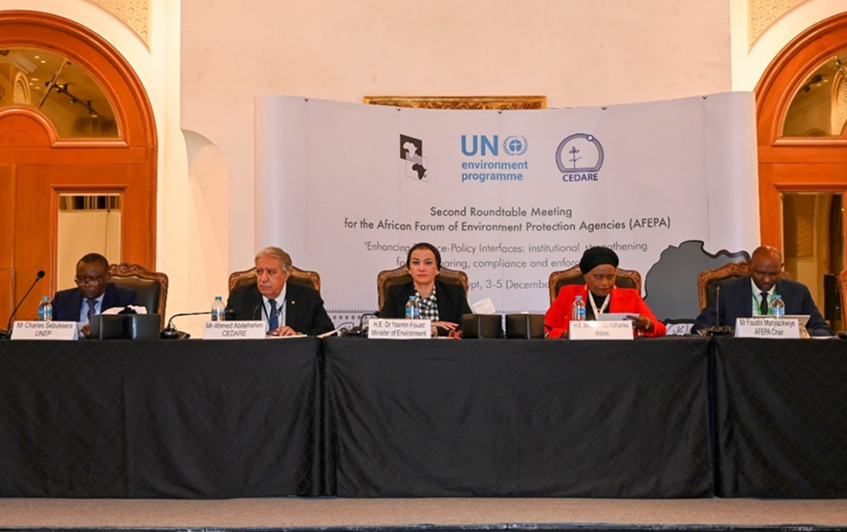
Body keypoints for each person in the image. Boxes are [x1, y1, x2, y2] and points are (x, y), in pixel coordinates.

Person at [692, 245, 833, 336]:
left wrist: (797, 332)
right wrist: (734, 333)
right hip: (739, 362)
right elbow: (700, 328)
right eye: (760, 273)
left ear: (781, 268)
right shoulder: (727, 291)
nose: (766, 280)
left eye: (773, 274)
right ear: (749, 265)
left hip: (785, 362)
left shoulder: (798, 292)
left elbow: (824, 331)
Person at [545, 247, 666, 338]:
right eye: (598, 277)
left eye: (610, 277)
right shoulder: (568, 293)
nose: (605, 283)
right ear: (585, 276)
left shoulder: (630, 296)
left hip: (619, 356)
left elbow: (660, 328)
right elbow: (544, 329)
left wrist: (647, 325)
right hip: (576, 355)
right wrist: (565, 334)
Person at [225, 246, 334, 336]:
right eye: (259, 272)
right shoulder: (240, 297)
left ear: (285, 275)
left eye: (271, 272)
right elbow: (222, 335)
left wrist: (298, 336)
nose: (263, 279)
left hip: (293, 359)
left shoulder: (308, 297)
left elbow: (328, 333)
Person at [379, 242, 472, 336]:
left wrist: (429, 330)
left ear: (437, 269)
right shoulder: (396, 292)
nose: (422, 268)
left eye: (428, 263)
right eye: (416, 262)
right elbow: (384, 327)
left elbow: (468, 327)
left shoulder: (454, 292)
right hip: (406, 349)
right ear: (409, 269)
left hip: (445, 349)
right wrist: (430, 326)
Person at [53, 253, 138, 336]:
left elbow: (130, 331)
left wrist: (101, 329)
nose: (87, 285)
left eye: (93, 280)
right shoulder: (62, 299)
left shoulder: (124, 297)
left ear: (107, 277)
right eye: (81, 279)